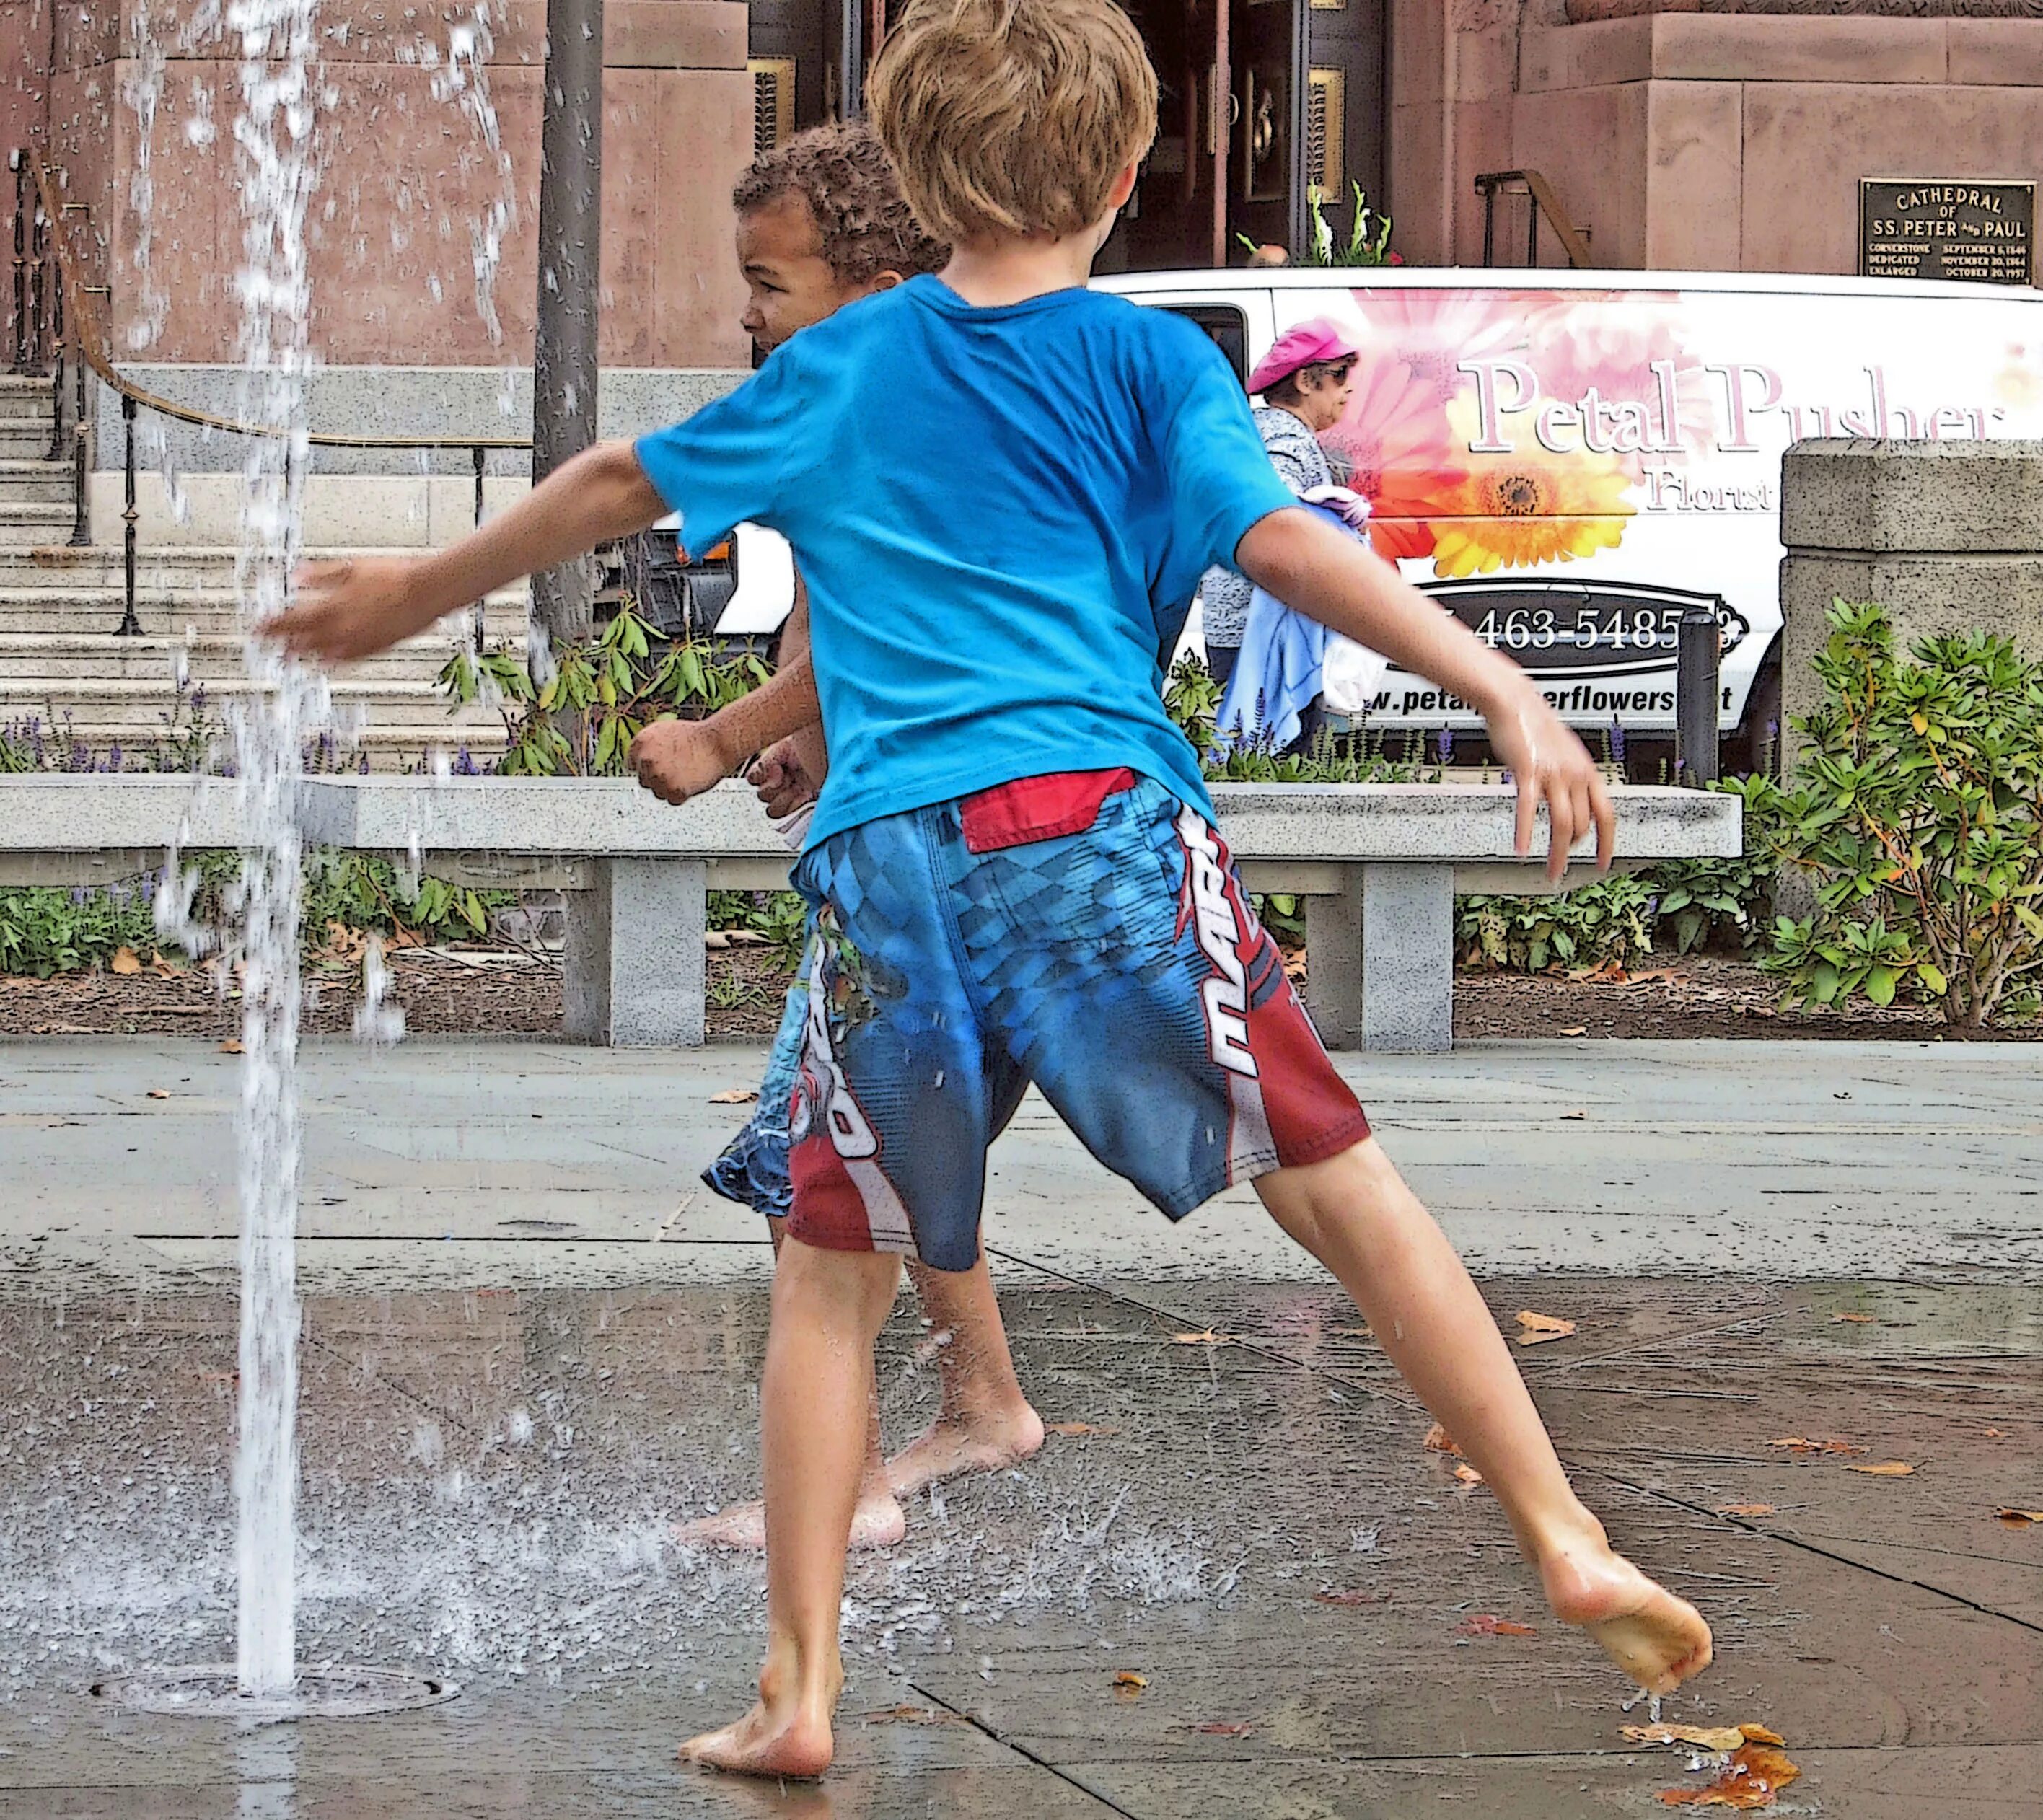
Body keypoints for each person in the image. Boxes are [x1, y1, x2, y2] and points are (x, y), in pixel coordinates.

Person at [265, 0, 1713, 1782]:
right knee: (1337, 1186)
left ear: (919, 176)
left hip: (890, 868)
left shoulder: (847, 366)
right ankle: (1559, 1529)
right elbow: (1279, 540)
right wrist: (1496, 687)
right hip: (1094, 834)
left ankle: (799, 1691)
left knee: (828, 1269)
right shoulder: (1150, 361)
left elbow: (618, 480)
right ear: (1122, 175)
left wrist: (419, 587)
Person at [686, 122, 1045, 1552]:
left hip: (945, 848)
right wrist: (803, 742)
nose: (749, 312)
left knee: (833, 1154)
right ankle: (981, 1399)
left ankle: (841, 1494)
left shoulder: (900, 401)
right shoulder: (898, 393)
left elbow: (894, 626)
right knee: (858, 1142)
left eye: (772, 280)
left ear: (873, 272)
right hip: (927, 828)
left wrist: (723, 736)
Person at [1198, 317, 1359, 698]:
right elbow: (1274, 527)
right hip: (1262, 638)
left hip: (1244, 633)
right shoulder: (1285, 439)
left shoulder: (1254, 430)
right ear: (1305, 382)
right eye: (1338, 375)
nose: (1348, 388)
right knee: (1277, 754)